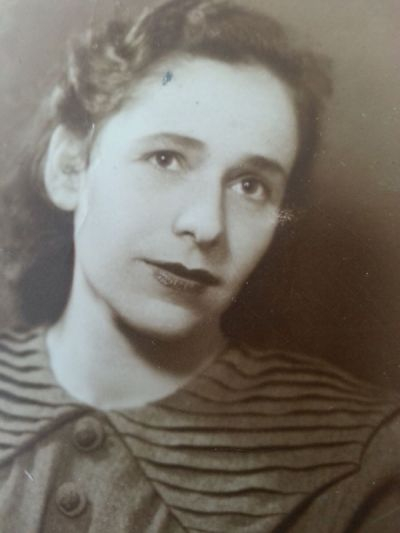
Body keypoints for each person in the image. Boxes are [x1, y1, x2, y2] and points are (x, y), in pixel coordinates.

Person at [0, 0, 399, 531]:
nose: (207, 224)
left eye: (250, 186)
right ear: (70, 168)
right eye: (165, 159)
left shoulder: (364, 457)